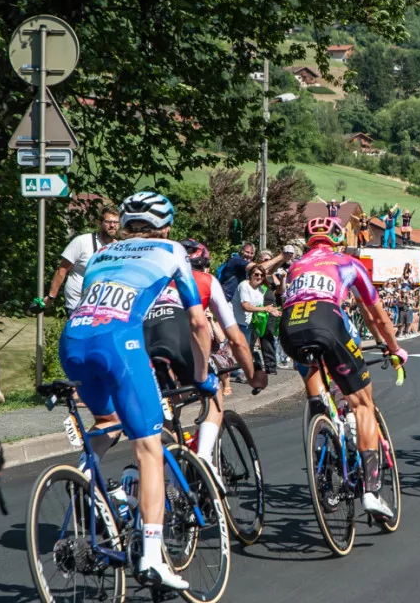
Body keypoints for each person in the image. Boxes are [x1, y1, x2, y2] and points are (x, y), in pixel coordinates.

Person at [59, 191, 216, 590]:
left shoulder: (100, 254)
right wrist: (201, 375)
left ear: (126, 223)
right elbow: (198, 323)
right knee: (147, 448)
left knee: (107, 420)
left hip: (73, 343)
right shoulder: (170, 249)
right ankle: (151, 556)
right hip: (117, 344)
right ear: (166, 226)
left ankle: (84, 480)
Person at [279, 216, 408, 519]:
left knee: (318, 400)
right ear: (336, 238)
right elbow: (377, 316)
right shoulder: (347, 262)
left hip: (290, 328)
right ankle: (372, 492)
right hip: (327, 321)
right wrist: (394, 349)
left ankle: (324, 442)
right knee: (363, 403)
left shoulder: (296, 267)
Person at [143, 238, 268, 482]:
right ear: (207, 266)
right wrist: (252, 376)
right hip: (180, 341)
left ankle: (172, 481)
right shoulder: (204, 280)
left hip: (143, 348)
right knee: (213, 392)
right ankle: (204, 458)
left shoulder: (152, 283)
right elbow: (236, 339)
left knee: (167, 415)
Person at [43, 207, 121, 311]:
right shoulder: (82, 242)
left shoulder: (120, 248)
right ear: (100, 223)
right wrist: (51, 296)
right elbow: (62, 270)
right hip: (77, 304)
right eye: (108, 222)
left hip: (104, 306)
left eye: (115, 222)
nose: (112, 225)